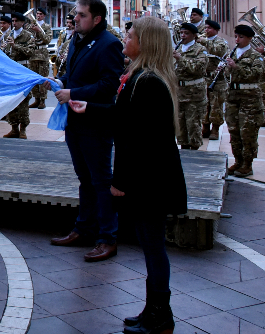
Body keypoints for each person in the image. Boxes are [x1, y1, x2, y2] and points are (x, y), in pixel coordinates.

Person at [68, 17, 187, 334]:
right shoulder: (140, 77)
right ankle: (153, 311)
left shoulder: (147, 82)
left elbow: (140, 140)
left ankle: (161, 316)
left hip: (150, 180)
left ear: (145, 42)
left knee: (153, 247)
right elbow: (125, 118)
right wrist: (88, 107)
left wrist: (119, 181)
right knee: (150, 245)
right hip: (150, 177)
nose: (124, 41)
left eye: (130, 36)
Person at [51, 0, 125, 262]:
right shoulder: (76, 41)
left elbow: (109, 85)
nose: (75, 19)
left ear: (97, 19)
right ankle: (84, 229)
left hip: (95, 122)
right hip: (75, 121)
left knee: (101, 181)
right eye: (76, 15)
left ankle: (108, 238)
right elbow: (76, 77)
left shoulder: (109, 44)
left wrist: (73, 91)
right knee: (85, 179)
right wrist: (60, 82)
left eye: (82, 15)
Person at [223, 24, 265, 177]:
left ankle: (248, 164)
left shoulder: (255, 56)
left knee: (247, 132)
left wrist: (236, 67)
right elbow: (228, 73)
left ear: (249, 39)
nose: (237, 40)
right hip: (233, 96)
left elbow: (256, 73)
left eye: (241, 37)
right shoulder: (233, 53)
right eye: (236, 36)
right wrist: (225, 68)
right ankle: (238, 160)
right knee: (234, 130)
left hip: (250, 98)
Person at [173, 22, 208, 150]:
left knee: (193, 124)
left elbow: (198, 69)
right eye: (181, 33)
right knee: (180, 125)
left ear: (194, 35)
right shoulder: (178, 48)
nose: (183, 36)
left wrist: (180, 59)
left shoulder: (200, 49)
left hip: (194, 94)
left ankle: (194, 152)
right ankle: (184, 148)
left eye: (186, 33)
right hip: (179, 92)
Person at [3, 12, 36, 138]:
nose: (14, 23)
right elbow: (3, 51)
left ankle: (23, 129)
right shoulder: (7, 34)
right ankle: (13, 128)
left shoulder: (28, 36)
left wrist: (14, 45)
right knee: (11, 99)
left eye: (17, 21)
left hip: (23, 69)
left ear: (22, 22)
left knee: (23, 99)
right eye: (13, 21)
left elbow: (30, 52)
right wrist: (4, 48)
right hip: (10, 70)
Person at [198, 20, 228, 140]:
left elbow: (218, 51)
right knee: (204, 104)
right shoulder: (201, 41)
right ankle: (205, 127)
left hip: (217, 78)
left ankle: (215, 129)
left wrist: (204, 42)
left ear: (216, 30)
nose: (206, 30)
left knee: (216, 105)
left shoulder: (221, 42)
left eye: (209, 28)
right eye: (205, 28)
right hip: (204, 77)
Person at [28, 8, 52, 109]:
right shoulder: (30, 26)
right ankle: (36, 99)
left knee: (43, 78)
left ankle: (42, 100)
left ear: (44, 16)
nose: (38, 16)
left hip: (42, 55)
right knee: (33, 79)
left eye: (41, 14)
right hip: (32, 54)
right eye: (37, 14)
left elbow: (47, 40)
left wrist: (39, 31)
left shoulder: (47, 26)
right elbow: (28, 37)